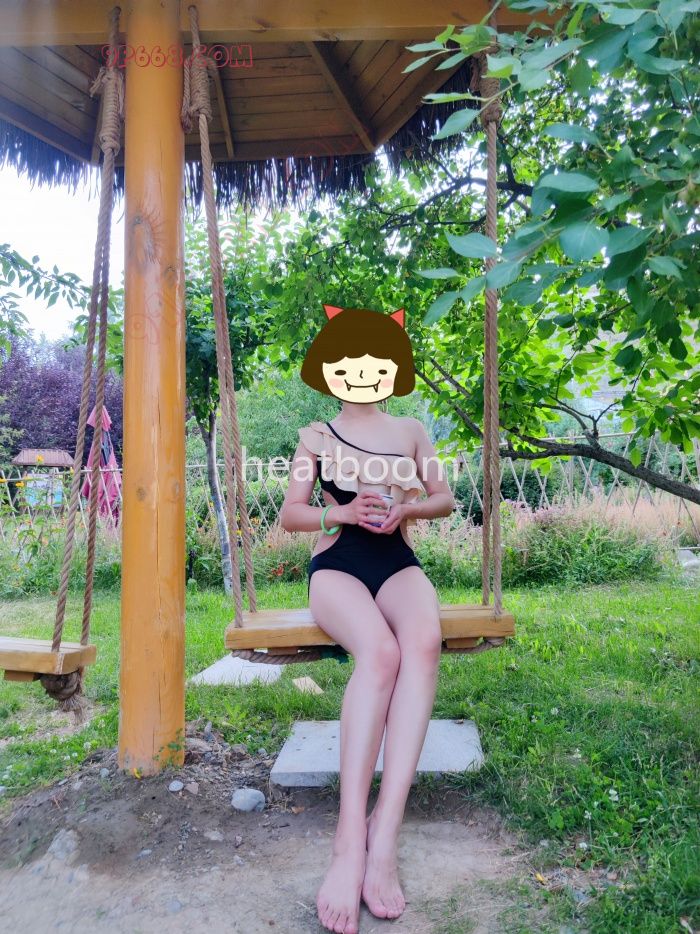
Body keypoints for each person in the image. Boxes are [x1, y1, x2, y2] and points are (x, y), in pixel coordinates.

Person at [280, 305, 455, 934]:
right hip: (337, 564)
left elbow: (445, 497)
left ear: (394, 369)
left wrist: (406, 509)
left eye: (375, 364)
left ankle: (385, 836)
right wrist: (344, 514)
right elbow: (291, 514)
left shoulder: (410, 429)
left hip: (396, 558)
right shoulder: (316, 435)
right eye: (348, 364)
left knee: (424, 641)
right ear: (328, 369)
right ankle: (347, 839)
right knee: (380, 655)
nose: (362, 374)